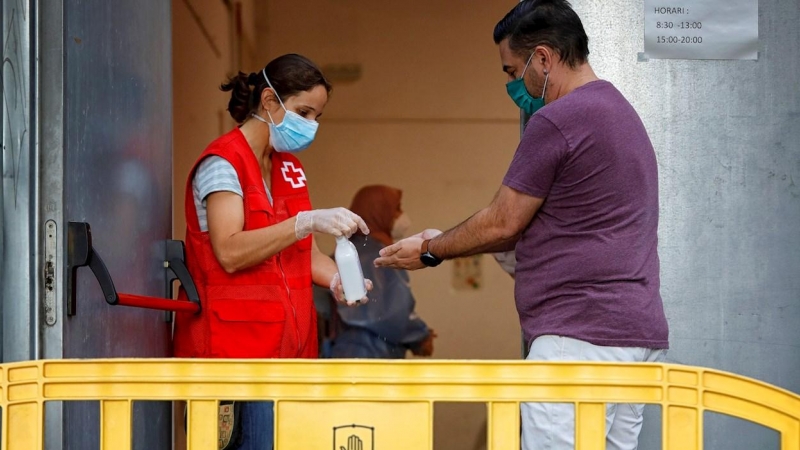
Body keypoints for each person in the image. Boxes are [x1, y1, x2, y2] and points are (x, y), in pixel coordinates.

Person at [374, 1, 669, 449]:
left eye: (513, 71)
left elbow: (503, 221)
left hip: (578, 340)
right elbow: (577, 228)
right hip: (632, 336)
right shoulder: (620, 113)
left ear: (544, 59)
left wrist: (432, 249)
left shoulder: (558, 118)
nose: (512, 84)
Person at [173, 53, 371, 450]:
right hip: (233, 358)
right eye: (304, 112)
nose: (311, 125)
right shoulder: (223, 164)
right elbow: (228, 251)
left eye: (317, 116)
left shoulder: (288, 168)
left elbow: (306, 254)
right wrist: (303, 222)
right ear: (268, 101)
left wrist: (335, 277)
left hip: (288, 358)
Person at [328, 185, 435, 359]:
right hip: (375, 356)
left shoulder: (344, 252)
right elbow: (395, 312)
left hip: (342, 352)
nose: (401, 215)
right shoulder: (382, 255)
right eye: (397, 209)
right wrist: (420, 337)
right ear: (379, 211)